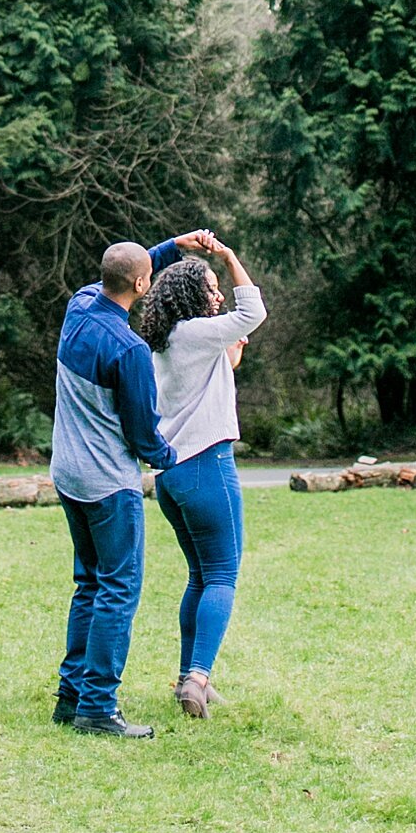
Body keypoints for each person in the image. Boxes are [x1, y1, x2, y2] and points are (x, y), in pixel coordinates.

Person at [49, 230, 219, 738]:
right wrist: (174, 456)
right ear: (143, 283)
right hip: (107, 484)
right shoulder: (129, 350)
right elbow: (145, 436)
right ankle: (98, 707)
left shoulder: (79, 306)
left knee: (90, 584)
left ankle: (71, 696)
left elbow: (127, 269)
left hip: (68, 475)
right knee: (118, 590)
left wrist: (172, 246)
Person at [142, 236, 267, 718]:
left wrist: (230, 349)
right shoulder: (198, 332)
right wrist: (233, 258)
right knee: (222, 575)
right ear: (192, 295)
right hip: (208, 465)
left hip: (171, 478)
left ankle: (187, 677)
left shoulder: (165, 343)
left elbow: (216, 370)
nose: (219, 296)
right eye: (212, 289)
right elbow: (253, 310)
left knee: (198, 575)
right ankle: (198, 677)